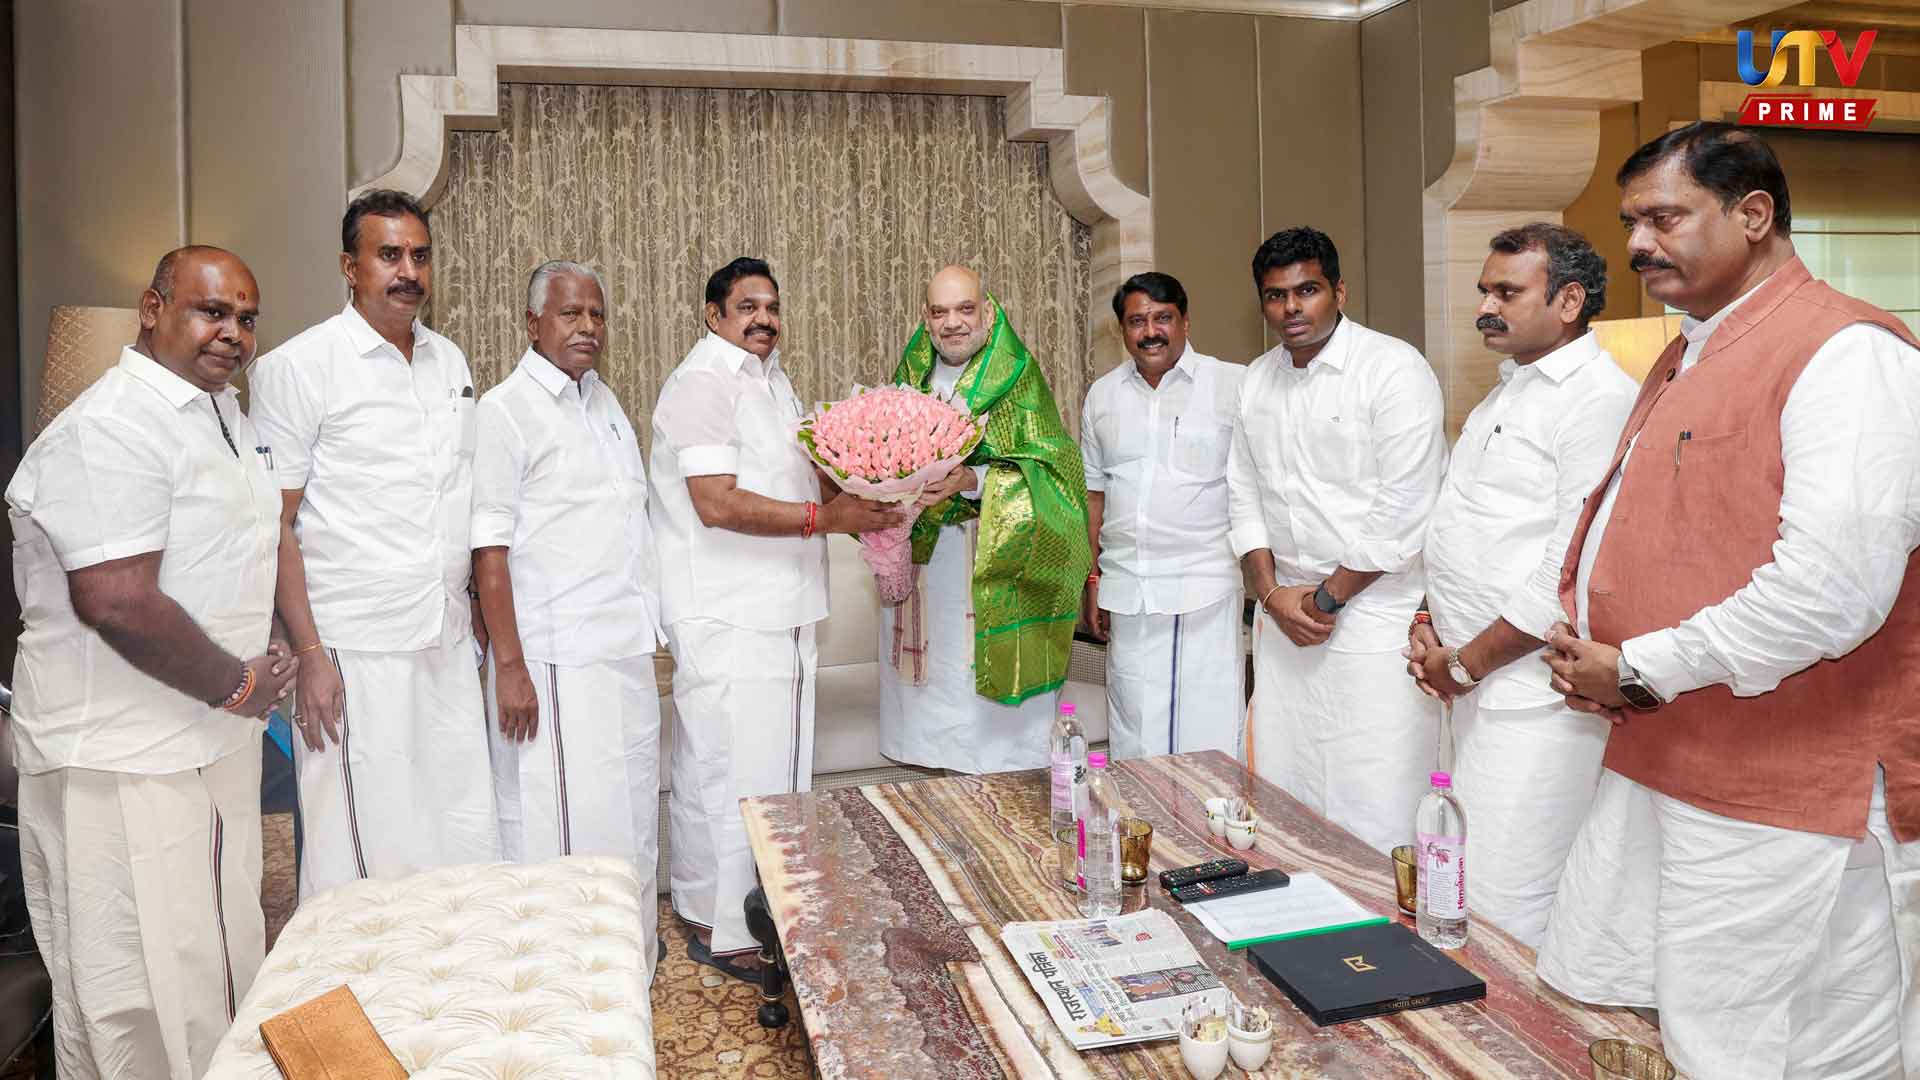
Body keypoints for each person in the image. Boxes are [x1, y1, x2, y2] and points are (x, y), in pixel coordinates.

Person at [1536, 122, 1920, 1078]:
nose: (1637, 245)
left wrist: (1639, 666)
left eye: (1664, 218)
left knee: (1784, 1045)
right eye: (1630, 222)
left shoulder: (1848, 353)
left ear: (1753, 215)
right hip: (1675, 747)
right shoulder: (1690, 349)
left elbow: (1831, 590)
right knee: (1679, 1023)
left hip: (1788, 781)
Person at [7, 246, 296, 1078]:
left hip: (204, 741)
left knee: (213, 966)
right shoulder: (110, 426)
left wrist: (269, 644)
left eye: (246, 318)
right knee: (134, 994)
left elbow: (235, 552)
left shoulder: (222, 414)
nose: (232, 333)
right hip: (121, 756)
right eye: (212, 311)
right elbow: (116, 599)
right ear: (153, 307)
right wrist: (239, 684)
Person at [652, 257, 904, 971]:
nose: (763, 319)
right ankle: (728, 931)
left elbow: (804, 478)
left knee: (765, 774)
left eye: (772, 307)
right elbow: (716, 501)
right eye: (747, 307)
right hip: (731, 612)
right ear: (713, 315)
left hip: (782, 608)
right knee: (731, 772)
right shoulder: (702, 382)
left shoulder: (772, 380)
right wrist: (827, 519)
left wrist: (883, 487)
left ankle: (746, 913)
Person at [250, 189, 498, 899]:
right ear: (349, 267)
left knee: (457, 830)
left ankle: (449, 964)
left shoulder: (450, 362)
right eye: (389, 255)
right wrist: (308, 654)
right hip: (353, 646)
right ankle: (355, 970)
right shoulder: (299, 367)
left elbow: (456, 496)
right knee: (359, 851)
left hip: (445, 638)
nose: (408, 271)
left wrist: (478, 612)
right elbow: (274, 524)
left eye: (420, 255)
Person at [1404, 224, 1636, 947]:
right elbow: (1465, 525)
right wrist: (1428, 616)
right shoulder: (1507, 391)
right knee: (1456, 880)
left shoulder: (1598, 399)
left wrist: (1465, 663)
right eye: (1485, 291)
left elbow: (1569, 570)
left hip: (1535, 698)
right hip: (1473, 684)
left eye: (1506, 292)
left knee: (1501, 900)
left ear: (1569, 301)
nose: (1485, 307)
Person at [471, 260, 667, 980]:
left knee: (630, 816)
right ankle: (560, 981)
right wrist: (510, 667)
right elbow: (488, 551)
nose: (588, 327)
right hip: (553, 661)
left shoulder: (604, 402)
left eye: (597, 314)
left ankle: (628, 966)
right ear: (533, 324)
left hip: (622, 650)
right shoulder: (505, 411)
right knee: (557, 826)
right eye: (570, 314)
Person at [1227, 226, 1446, 856]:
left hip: (1373, 616)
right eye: (1275, 296)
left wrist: (1324, 602)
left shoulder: (1393, 369)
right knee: (1285, 785)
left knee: (1373, 790)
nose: (1291, 308)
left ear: (1339, 291)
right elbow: (1243, 495)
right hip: (1286, 618)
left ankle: (1381, 912)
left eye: (1308, 290)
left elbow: (1402, 510)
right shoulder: (1256, 380)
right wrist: (1271, 596)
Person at [878, 266, 1092, 775]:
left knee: (998, 752)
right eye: (939, 312)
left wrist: (970, 479)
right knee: (932, 737)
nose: (952, 323)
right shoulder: (910, 378)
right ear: (925, 318)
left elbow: (1055, 474)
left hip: (998, 566)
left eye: (965, 309)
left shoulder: (1016, 377)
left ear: (989, 312)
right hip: (928, 575)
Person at [1080, 271, 1245, 760]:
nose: (1150, 331)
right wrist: (1093, 578)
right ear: (1122, 329)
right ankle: (1137, 813)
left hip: (1203, 590)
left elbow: (1256, 489)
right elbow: (1094, 496)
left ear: (1185, 321)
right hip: (1128, 590)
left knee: (1208, 735)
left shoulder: (1232, 385)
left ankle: (1208, 815)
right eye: (1137, 321)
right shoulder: (1102, 396)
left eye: (1162, 318)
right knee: (1135, 731)